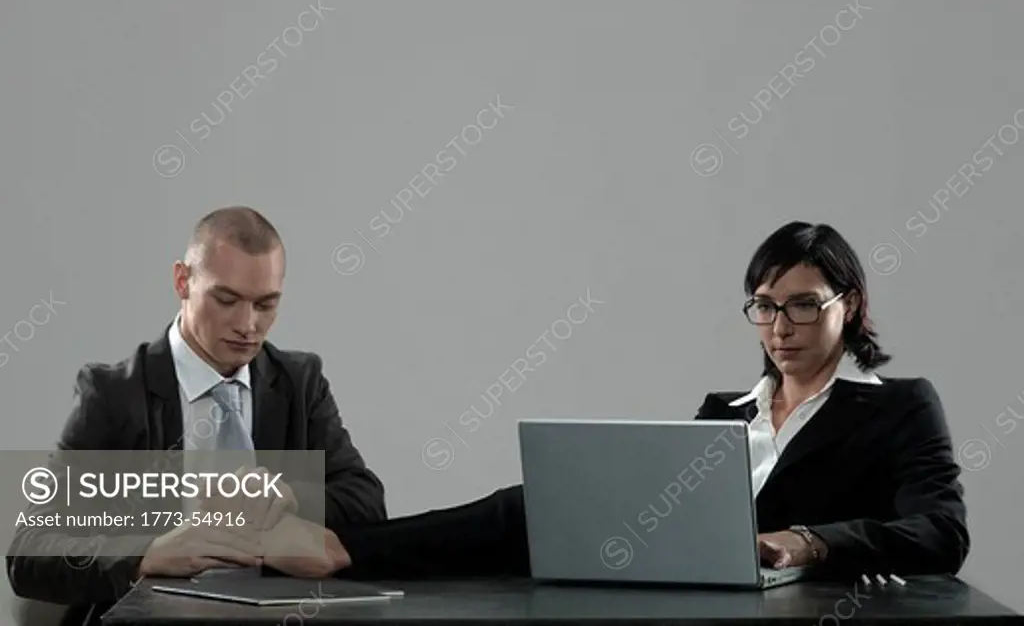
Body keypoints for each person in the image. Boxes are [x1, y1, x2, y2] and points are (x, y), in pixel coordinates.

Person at [327, 220, 970, 581]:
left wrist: (808, 541)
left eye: (804, 305)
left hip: (777, 599)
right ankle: (347, 550)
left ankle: (342, 549)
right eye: (766, 307)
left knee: (535, 516)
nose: (780, 328)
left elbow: (940, 531)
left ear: (849, 305)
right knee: (535, 507)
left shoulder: (900, 407)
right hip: (674, 578)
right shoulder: (726, 411)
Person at [6, 207, 385, 624]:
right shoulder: (113, 395)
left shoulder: (299, 381)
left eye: (265, 305)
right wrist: (146, 554)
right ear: (183, 281)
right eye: (226, 300)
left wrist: (289, 495)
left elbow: (367, 502)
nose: (248, 325)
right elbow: (30, 551)